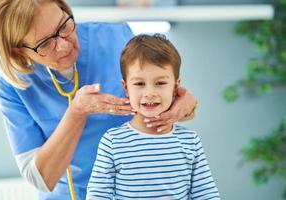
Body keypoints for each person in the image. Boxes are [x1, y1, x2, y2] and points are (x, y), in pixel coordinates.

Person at [0, 0, 197, 199]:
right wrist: (77, 112)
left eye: (63, 26)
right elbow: (41, 179)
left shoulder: (116, 38)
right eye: (44, 44)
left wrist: (186, 107)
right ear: (18, 51)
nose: (63, 46)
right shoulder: (13, 83)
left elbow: (163, 103)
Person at [86, 34, 219, 200]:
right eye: (139, 84)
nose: (150, 93)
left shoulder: (190, 141)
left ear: (175, 87)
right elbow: (98, 195)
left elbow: (206, 195)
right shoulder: (113, 142)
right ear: (126, 88)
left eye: (160, 83)